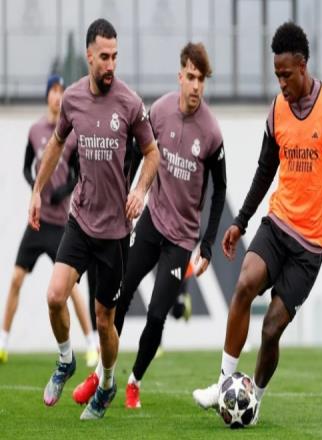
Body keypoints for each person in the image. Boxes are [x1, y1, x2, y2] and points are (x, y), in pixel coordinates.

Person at [192, 22, 322, 422]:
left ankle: (254, 401)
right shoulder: (277, 110)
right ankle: (223, 383)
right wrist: (241, 221)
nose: (282, 83)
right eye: (276, 75)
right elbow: (264, 169)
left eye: (286, 75)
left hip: (310, 245)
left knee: (271, 329)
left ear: (303, 66)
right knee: (244, 284)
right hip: (278, 223)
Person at [72, 42, 226, 410]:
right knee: (120, 297)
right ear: (180, 76)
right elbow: (134, 152)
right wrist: (126, 196)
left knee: (156, 316)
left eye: (201, 80)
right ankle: (102, 375)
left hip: (181, 238)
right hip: (152, 222)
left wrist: (207, 244)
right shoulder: (158, 111)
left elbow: (221, 189)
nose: (196, 86)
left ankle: (134, 382)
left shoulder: (211, 131)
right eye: (191, 77)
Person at [28, 18, 159, 420]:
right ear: (89, 56)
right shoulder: (72, 99)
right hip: (81, 221)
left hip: (115, 233)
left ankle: (107, 384)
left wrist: (140, 191)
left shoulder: (130, 103)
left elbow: (152, 154)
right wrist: (37, 191)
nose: (110, 64)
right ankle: (66, 360)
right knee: (55, 296)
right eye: (104, 57)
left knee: (105, 321)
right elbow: (56, 144)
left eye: (115, 56)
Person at [0, 75, 98, 366]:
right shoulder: (35, 131)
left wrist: (62, 192)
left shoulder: (72, 134)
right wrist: (36, 186)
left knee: (71, 288)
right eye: (54, 91)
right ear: (47, 96)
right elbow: (26, 168)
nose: (58, 96)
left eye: (62, 91)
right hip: (37, 223)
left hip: (59, 225)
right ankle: (3, 342)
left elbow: (78, 175)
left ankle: (91, 343)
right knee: (16, 279)